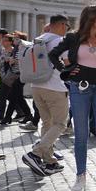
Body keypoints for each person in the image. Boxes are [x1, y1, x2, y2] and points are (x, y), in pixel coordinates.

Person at [49, 5, 96, 191]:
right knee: (80, 134)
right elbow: (53, 54)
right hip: (79, 88)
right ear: (90, 18)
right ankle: (80, 178)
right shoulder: (73, 37)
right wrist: (65, 71)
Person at [22, 15, 70, 177]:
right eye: (66, 26)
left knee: (47, 123)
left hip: (36, 86)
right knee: (60, 124)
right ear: (62, 25)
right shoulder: (59, 41)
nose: (66, 29)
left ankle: (50, 162)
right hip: (55, 86)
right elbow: (67, 62)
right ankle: (36, 153)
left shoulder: (38, 39)